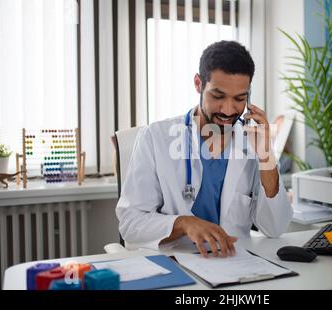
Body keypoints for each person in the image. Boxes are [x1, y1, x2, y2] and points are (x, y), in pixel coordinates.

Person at [116, 41, 292, 258]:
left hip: (236, 264)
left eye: (239, 99)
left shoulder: (252, 143)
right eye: (218, 96)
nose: (228, 110)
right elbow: (130, 223)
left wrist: (267, 156)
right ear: (198, 84)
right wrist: (183, 223)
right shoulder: (155, 138)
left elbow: (275, 228)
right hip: (175, 262)